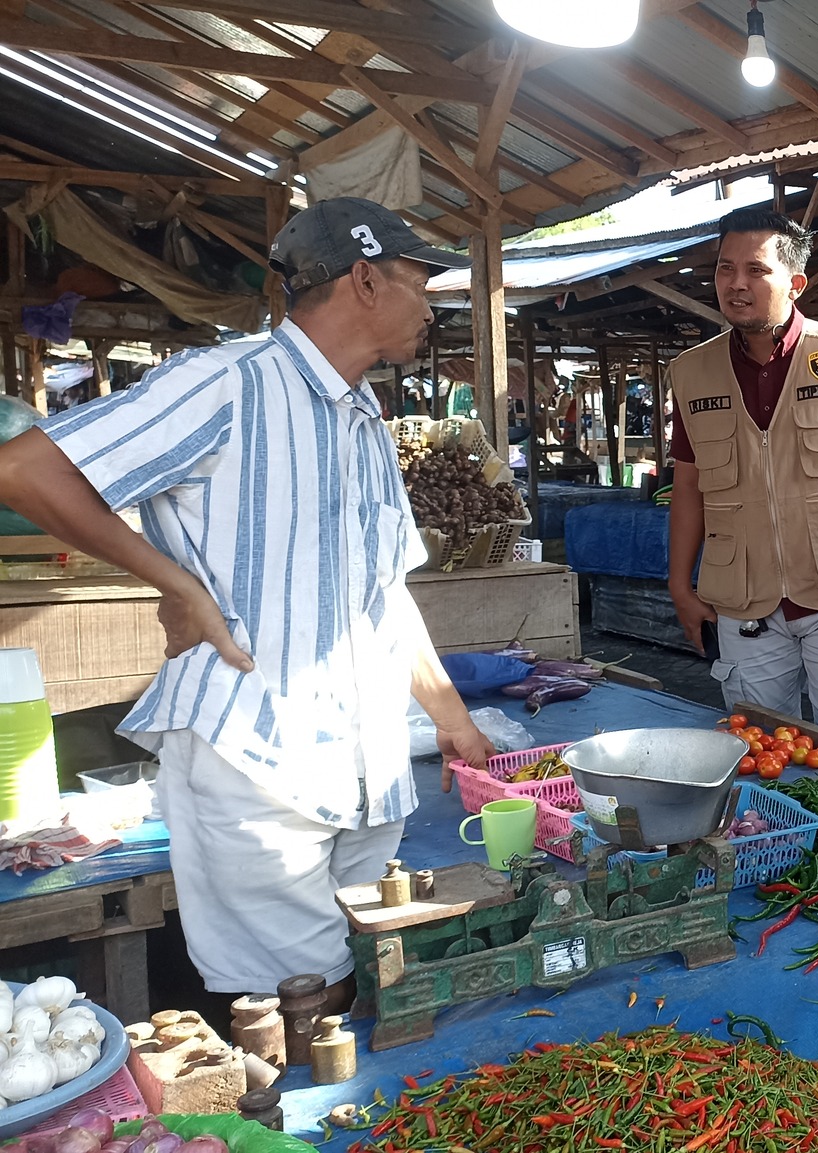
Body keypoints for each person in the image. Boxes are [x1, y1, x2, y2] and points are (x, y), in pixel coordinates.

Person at [0, 198, 495, 1001]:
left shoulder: (366, 419)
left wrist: (452, 718)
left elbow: (384, 594)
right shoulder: (226, 384)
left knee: (370, 985)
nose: (429, 305)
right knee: (300, 1003)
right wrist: (175, 582)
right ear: (365, 280)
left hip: (367, 769)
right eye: (418, 281)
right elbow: (24, 469)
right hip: (261, 765)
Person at [666, 208, 818, 744]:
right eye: (726, 269)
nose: (737, 284)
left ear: (796, 284)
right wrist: (680, 585)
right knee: (761, 755)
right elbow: (688, 486)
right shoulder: (692, 373)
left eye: (755, 270)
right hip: (743, 604)